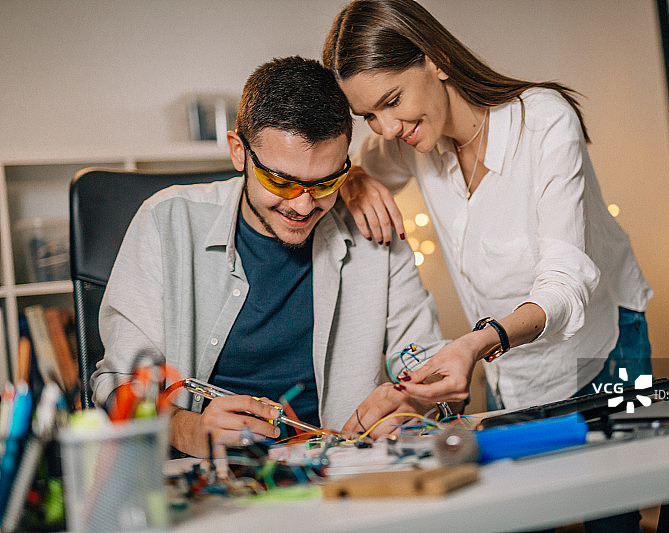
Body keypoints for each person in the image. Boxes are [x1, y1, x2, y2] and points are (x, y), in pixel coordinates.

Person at [324, 2, 652, 530]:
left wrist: (476, 343)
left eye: (391, 100)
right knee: (520, 510)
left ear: (436, 61)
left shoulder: (543, 120)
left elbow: (566, 286)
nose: (386, 127)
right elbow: (355, 163)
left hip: (608, 340)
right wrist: (354, 179)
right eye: (369, 116)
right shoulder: (411, 141)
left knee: (611, 511)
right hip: (508, 359)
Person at [90, 56, 446, 458]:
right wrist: (186, 429)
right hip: (210, 476)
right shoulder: (166, 221)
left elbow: (427, 363)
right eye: (281, 181)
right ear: (238, 152)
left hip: (342, 469)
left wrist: (416, 405)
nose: (303, 205)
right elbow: (117, 381)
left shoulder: (374, 229)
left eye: (326, 181)